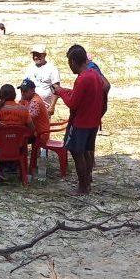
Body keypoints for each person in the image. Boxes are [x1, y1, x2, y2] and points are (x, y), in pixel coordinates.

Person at [55, 45, 106, 196]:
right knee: (87, 152)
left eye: (69, 63)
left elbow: (72, 103)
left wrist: (60, 92)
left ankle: (83, 187)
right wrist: (65, 91)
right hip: (93, 121)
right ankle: (87, 182)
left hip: (80, 122)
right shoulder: (95, 75)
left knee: (77, 154)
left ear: (73, 61)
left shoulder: (83, 78)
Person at [25, 44, 60, 115]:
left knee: (43, 125)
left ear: (44, 55)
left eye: (38, 55)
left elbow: (56, 89)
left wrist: (52, 106)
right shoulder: (30, 68)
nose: (35, 57)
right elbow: (24, 85)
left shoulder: (52, 69)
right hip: (30, 104)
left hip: (45, 106)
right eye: (34, 55)